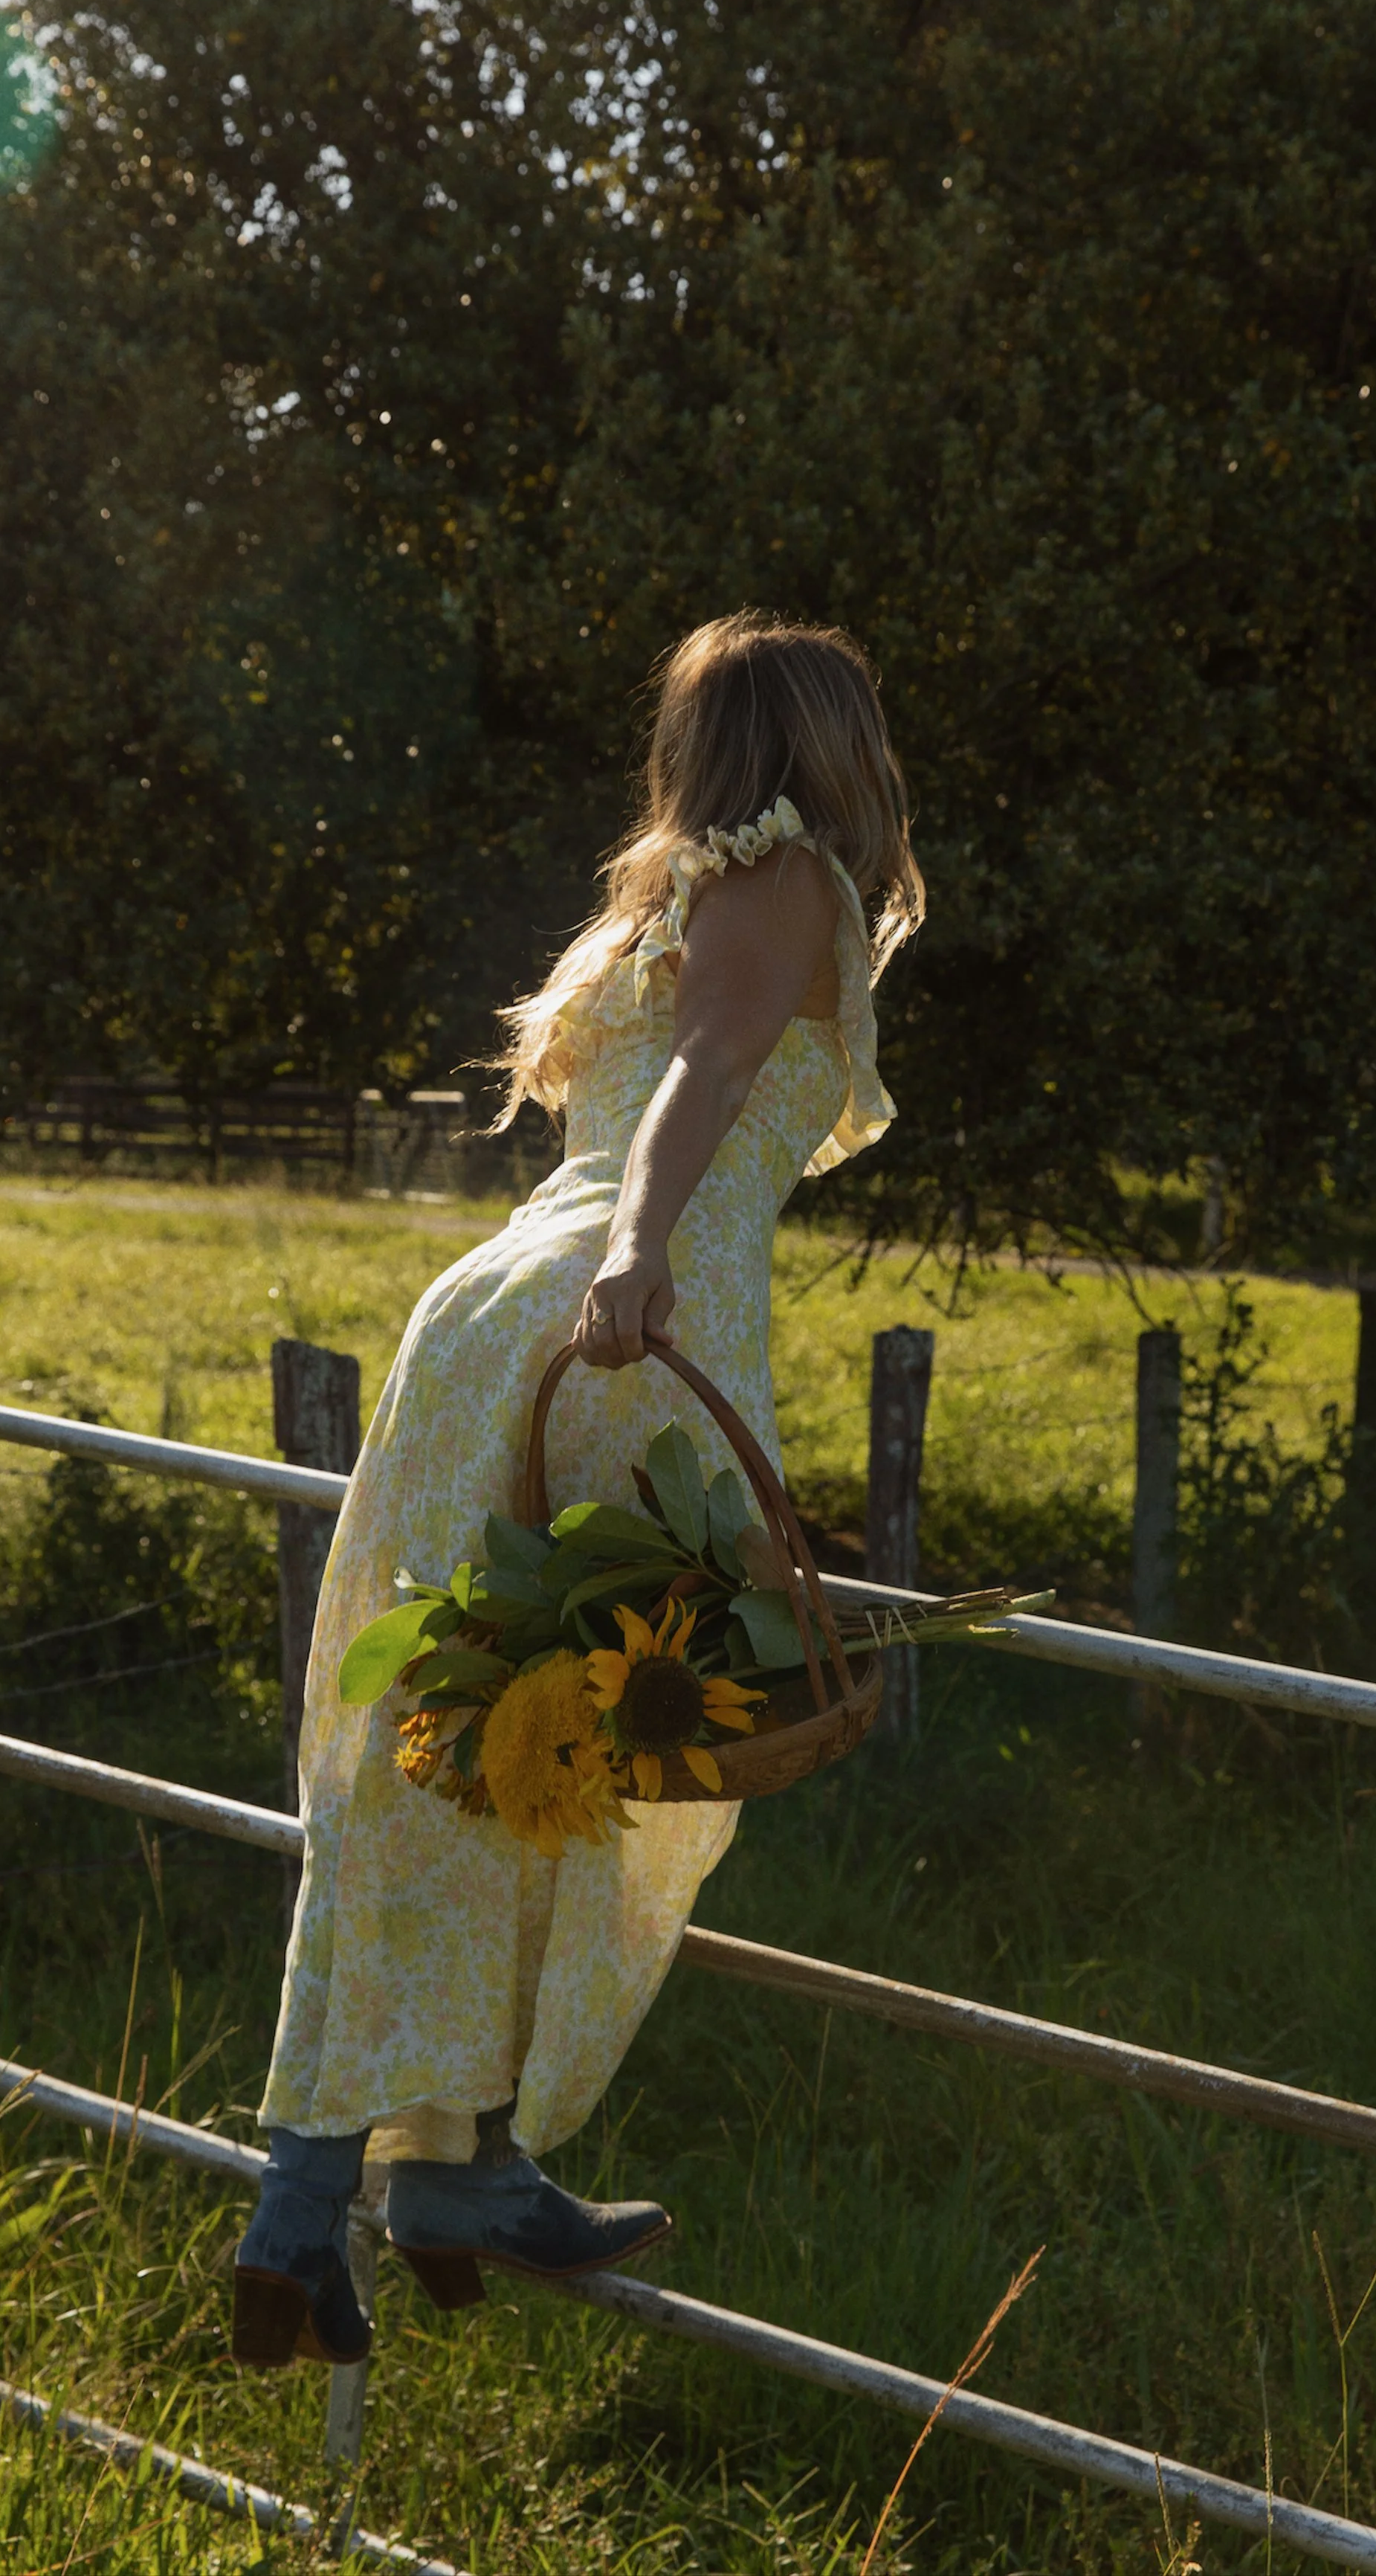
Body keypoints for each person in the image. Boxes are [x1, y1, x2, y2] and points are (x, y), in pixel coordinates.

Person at [232, 609, 925, 2363]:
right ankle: (461, 2165)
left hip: (489, 1315)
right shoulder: (783, 890)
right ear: (835, 749)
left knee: (461, 1740)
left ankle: (341, 2195)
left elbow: (662, 1063)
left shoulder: (662, 898)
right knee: (596, 1751)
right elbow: (706, 1073)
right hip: (624, 1309)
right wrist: (638, 1253)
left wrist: (604, 1245)